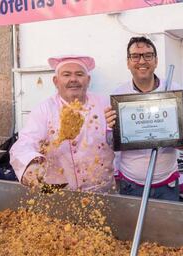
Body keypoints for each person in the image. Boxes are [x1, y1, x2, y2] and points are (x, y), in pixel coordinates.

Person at [105, 36, 183, 201]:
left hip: (167, 182)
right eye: (135, 56)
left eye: (148, 55)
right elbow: (110, 142)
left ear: (156, 60)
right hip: (131, 183)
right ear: (128, 62)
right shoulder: (119, 94)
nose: (142, 61)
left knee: (166, 227)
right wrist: (115, 130)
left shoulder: (173, 89)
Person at [10, 55, 114, 193]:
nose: (73, 79)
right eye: (66, 75)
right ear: (56, 81)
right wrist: (30, 166)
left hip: (101, 189)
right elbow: (25, 142)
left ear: (88, 80)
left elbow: (118, 141)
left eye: (79, 74)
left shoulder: (105, 105)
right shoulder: (44, 109)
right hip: (60, 192)